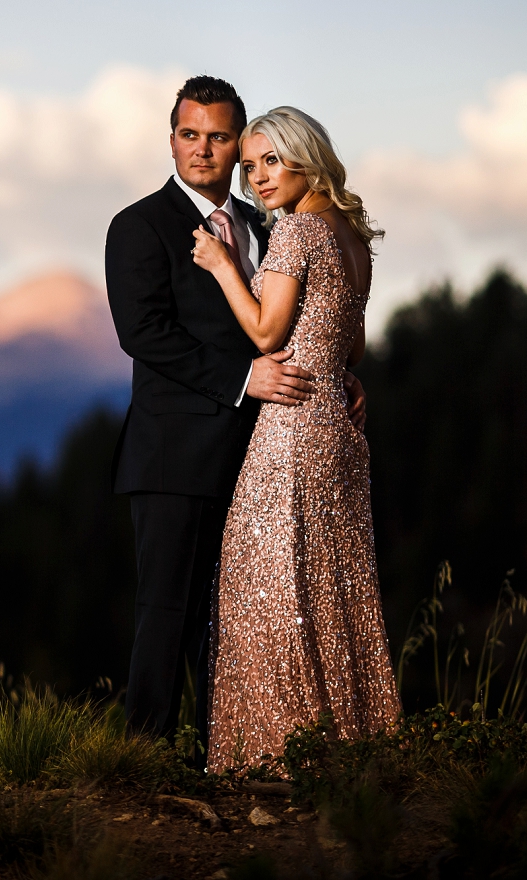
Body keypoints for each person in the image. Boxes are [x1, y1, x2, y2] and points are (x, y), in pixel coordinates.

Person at [105, 77, 364, 742]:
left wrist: (343, 373)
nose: (203, 150)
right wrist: (242, 379)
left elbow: (301, 315)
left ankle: (216, 758)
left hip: (260, 456)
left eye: (219, 138)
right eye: (190, 135)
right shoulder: (139, 226)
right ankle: (143, 761)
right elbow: (144, 334)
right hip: (175, 457)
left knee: (237, 618)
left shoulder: (261, 224)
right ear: (171, 140)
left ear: (237, 144)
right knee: (168, 611)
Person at [192, 106, 401, 770]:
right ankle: (351, 745)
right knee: (333, 588)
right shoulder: (351, 238)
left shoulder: (296, 233)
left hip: (290, 427)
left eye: (269, 161)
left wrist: (223, 265)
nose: (257, 178)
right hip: (337, 429)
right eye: (249, 167)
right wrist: (340, 372)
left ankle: (279, 752)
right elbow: (354, 343)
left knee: (263, 582)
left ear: (304, 156)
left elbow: (265, 335)